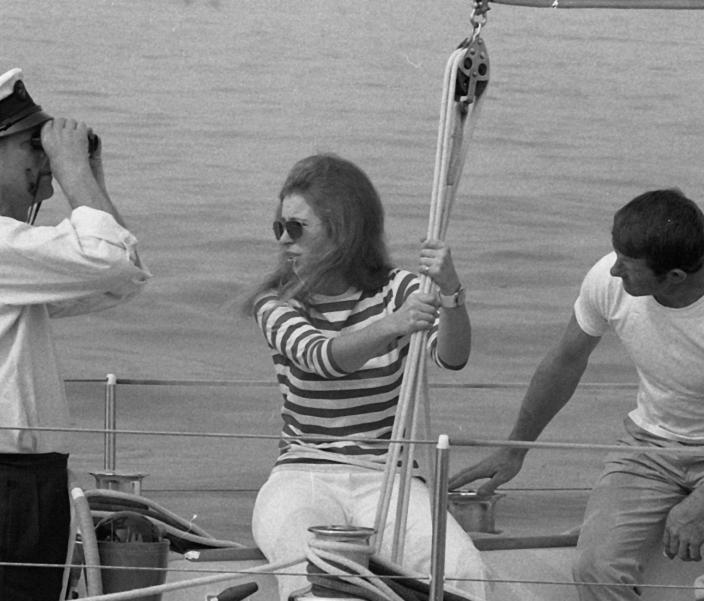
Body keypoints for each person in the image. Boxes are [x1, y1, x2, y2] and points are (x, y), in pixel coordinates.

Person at [0, 68, 150, 601]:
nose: (43, 158)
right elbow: (110, 259)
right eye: (32, 144)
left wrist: (89, 177)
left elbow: (122, 277)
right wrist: (75, 174)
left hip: (22, 490)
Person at [244, 153, 487, 601]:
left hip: (389, 477)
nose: (282, 239)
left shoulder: (399, 290)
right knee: (312, 576)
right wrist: (393, 325)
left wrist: (450, 293)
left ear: (342, 231)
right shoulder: (276, 302)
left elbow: (451, 357)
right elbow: (321, 356)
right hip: (304, 473)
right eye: (278, 226)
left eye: (296, 228)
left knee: (462, 574)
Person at [448, 188, 704, 601]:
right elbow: (564, 363)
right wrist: (516, 448)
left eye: (628, 265)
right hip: (650, 450)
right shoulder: (608, 278)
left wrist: (699, 507)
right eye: (616, 254)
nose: (614, 270)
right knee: (594, 567)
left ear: (674, 277)